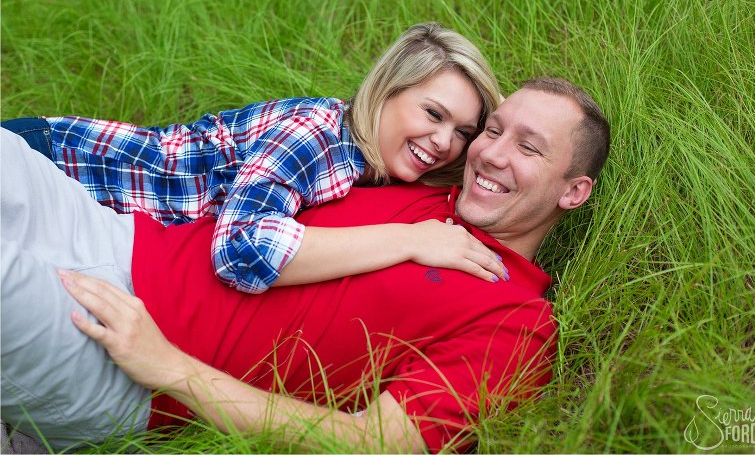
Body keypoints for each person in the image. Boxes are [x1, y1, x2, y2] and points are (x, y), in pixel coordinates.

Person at [0, 77, 610, 452]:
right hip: (106, 228)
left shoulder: (519, 325)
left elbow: (376, 444)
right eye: (494, 131)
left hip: (118, 354)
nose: (491, 155)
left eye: (528, 148)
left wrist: (170, 369)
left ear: (573, 191)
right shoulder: (420, 181)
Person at [1, 22, 508, 293]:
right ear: (387, 90)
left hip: (77, 217)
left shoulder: (373, 167)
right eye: (433, 113)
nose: (445, 142)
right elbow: (240, 251)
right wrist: (410, 240)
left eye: (463, 132)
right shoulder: (316, 138)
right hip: (57, 165)